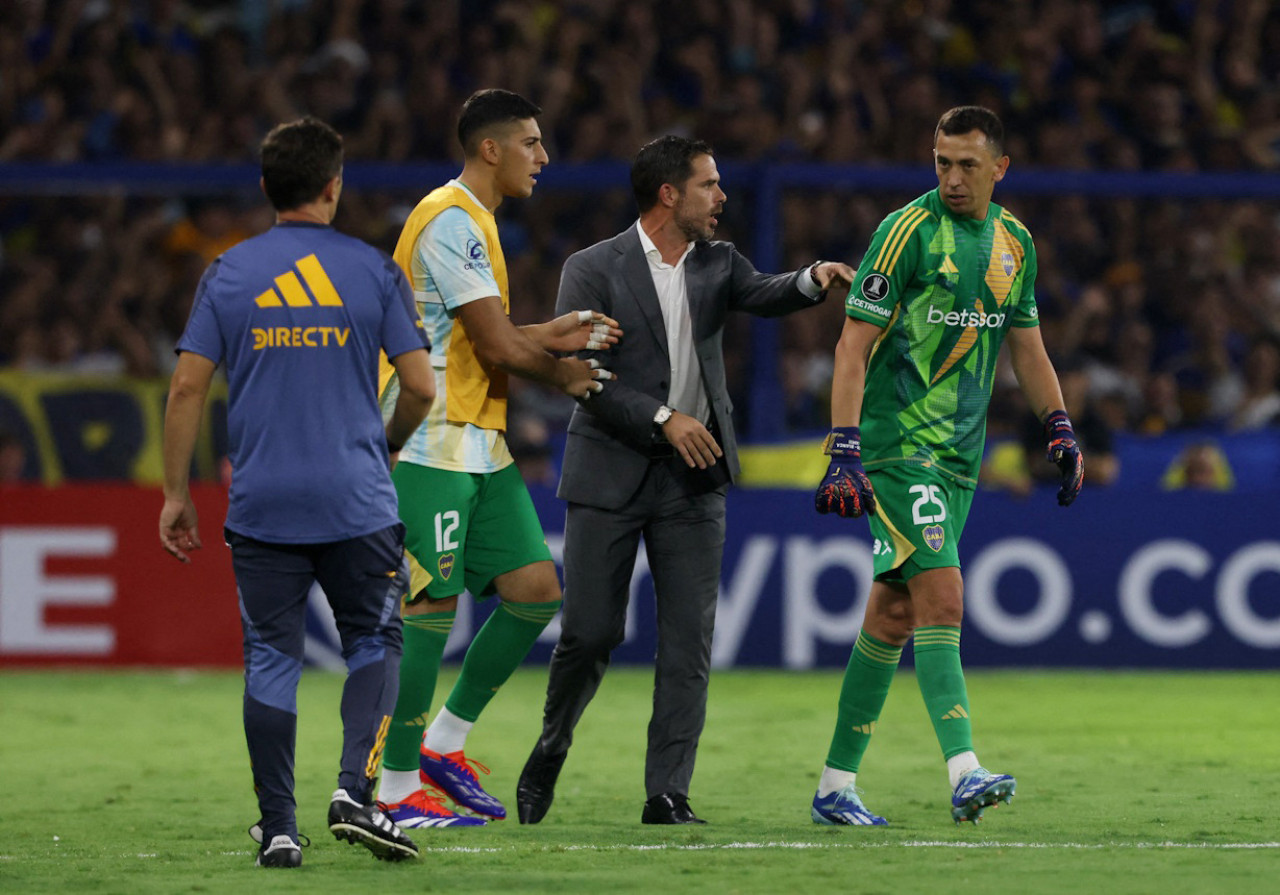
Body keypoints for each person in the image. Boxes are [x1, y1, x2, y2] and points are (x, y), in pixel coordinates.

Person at [516, 134, 854, 826]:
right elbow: (586, 378)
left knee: (688, 643)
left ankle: (667, 791)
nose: (721, 197)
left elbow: (763, 291)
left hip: (694, 478)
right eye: (709, 185)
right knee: (589, 630)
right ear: (669, 194)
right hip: (610, 468)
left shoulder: (717, 261)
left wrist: (812, 278)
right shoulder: (592, 267)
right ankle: (553, 741)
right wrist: (666, 416)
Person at [158, 118, 435, 867]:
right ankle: (355, 791)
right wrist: (389, 444)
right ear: (334, 187)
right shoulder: (374, 271)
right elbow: (419, 386)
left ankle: (279, 827)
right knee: (376, 643)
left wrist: (175, 492)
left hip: (263, 505)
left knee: (271, 659)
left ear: (264, 189)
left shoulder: (228, 272)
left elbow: (187, 386)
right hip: (357, 500)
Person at [809, 106, 1084, 827]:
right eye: (941, 162)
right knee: (944, 601)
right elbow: (851, 347)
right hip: (899, 447)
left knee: (894, 614)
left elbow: (1027, 345)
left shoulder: (1015, 243)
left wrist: (1058, 425)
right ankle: (964, 769)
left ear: (1001, 168)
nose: (952, 178)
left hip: (961, 457)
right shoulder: (906, 233)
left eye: (967, 164)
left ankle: (835, 787)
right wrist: (844, 447)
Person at [375, 88, 620, 828]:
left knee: (536, 588)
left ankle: (443, 744)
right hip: (430, 440)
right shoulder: (451, 219)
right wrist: (565, 372)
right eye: (531, 144)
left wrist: (552, 331)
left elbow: (487, 332)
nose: (543, 158)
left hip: (478, 440)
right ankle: (392, 789)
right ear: (492, 148)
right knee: (431, 604)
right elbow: (494, 346)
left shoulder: (475, 222)